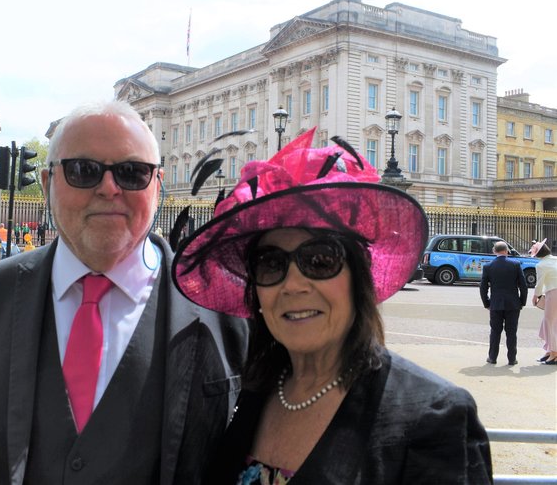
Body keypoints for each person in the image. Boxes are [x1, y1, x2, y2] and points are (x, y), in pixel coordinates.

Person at [0, 99, 249, 485]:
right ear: (47, 183)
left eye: (132, 172)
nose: (109, 188)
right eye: (83, 171)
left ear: (156, 186)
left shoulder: (225, 306)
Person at [173, 129, 492, 484]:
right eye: (270, 263)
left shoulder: (434, 418)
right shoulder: (255, 391)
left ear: (359, 279)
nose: (292, 284)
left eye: (320, 260)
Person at [479, 240, 528, 365]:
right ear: (507, 251)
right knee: (511, 332)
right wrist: (522, 302)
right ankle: (512, 359)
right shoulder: (515, 264)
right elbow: (523, 286)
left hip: (495, 304)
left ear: (494, 251)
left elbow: (483, 287)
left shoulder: (488, 266)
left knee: (495, 332)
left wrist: (487, 303)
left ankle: (492, 357)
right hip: (513, 304)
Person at [530, 238, 557, 365]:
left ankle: (554, 353)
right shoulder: (555, 259)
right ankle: (549, 350)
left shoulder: (540, 265)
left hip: (552, 293)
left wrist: (536, 296)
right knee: (551, 322)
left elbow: (539, 283)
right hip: (552, 292)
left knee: (549, 322)